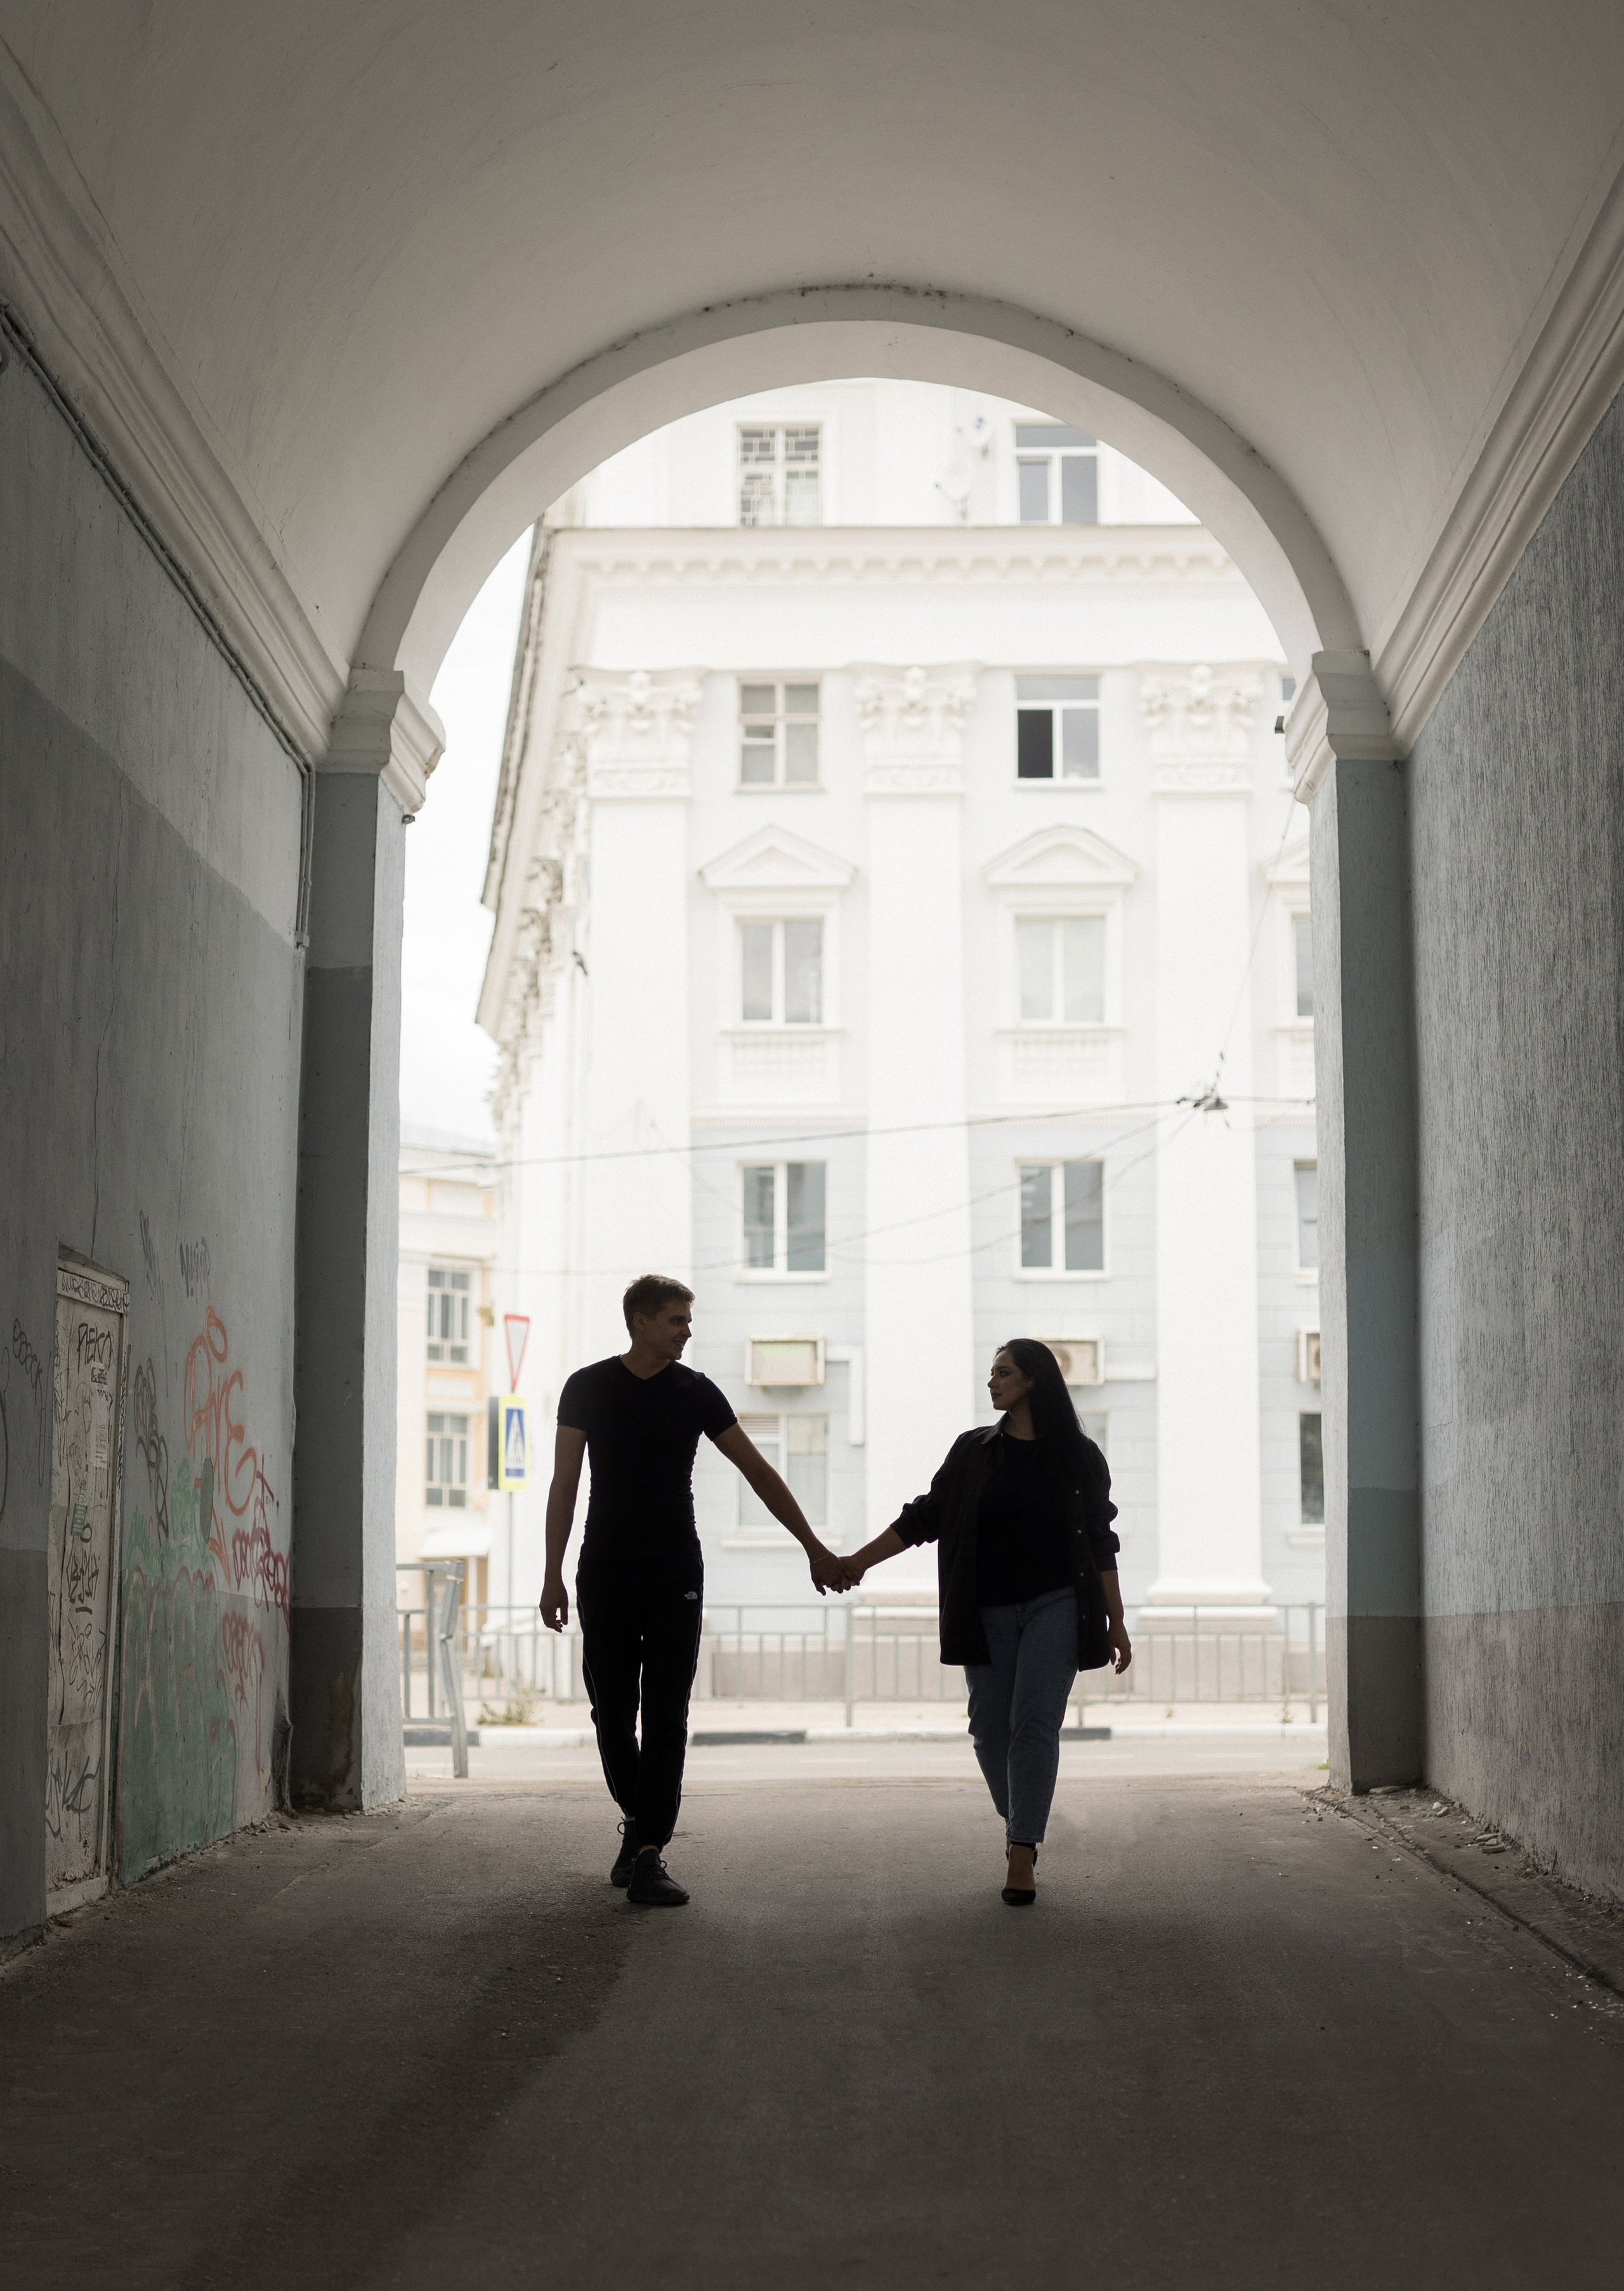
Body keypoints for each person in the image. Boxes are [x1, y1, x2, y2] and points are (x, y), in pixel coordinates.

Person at [539, 1273, 849, 1907]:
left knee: (667, 1711)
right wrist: (552, 1573)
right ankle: (640, 1822)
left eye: (688, 1319)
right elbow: (564, 1483)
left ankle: (649, 1850)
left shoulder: (695, 1391)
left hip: (675, 1569)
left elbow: (758, 1470)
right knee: (611, 1711)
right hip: (605, 1568)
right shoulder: (588, 1386)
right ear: (641, 1321)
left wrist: (813, 1546)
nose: (687, 1330)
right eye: (677, 1319)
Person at [842, 1339, 1130, 1905]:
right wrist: (858, 1562)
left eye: (1003, 1372)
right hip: (986, 1608)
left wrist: (1115, 1619)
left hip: (1056, 1604)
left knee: (1034, 1722)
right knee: (990, 1729)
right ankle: (1020, 1815)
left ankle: (1021, 1849)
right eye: (992, 1372)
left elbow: (1101, 1539)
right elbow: (925, 1517)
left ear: (1034, 1381)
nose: (992, 1381)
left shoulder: (1078, 1456)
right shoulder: (973, 1451)